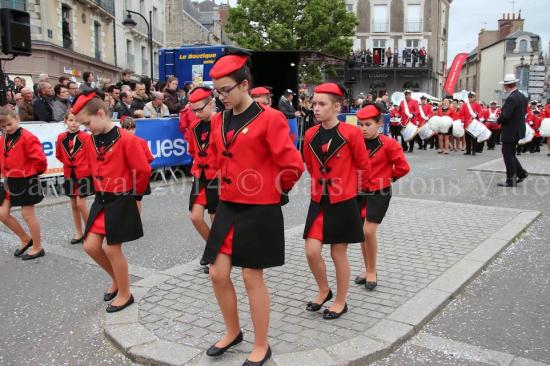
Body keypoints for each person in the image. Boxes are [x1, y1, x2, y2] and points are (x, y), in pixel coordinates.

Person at [200, 52, 304, 365]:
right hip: (229, 205)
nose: (220, 97)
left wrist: (277, 189)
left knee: (251, 277)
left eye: (225, 90)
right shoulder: (218, 119)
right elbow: (219, 158)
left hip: (260, 207)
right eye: (216, 91)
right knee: (218, 273)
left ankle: (262, 344)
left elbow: (292, 165)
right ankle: (233, 332)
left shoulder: (271, 119)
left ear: (244, 85)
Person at [71, 89, 151, 312]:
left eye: (87, 122)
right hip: (102, 199)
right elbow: (87, 166)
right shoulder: (90, 141)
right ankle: (116, 278)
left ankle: (125, 293)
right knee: (90, 246)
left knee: (112, 249)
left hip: (121, 199)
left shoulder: (127, 140)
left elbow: (142, 170)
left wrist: (136, 196)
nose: (86, 128)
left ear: (100, 113)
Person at [302, 82, 370, 320]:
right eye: (314, 103)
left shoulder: (351, 133)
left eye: (322, 104)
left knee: (337, 253)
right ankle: (324, 289)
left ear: (337, 106)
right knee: (311, 251)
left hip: (343, 200)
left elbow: (363, 166)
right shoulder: (310, 134)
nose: (316, 108)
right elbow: (310, 166)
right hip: (319, 198)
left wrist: (355, 196)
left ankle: (341, 301)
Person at [354, 103, 410, 290]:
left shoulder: (389, 144)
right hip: (358, 192)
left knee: (368, 231)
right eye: (360, 124)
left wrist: (387, 178)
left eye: (368, 125)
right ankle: (368, 268)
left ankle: (372, 271)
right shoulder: (356, 142)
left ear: (379, 124)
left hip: (380, 192)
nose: (363, 129)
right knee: (362, 233)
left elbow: (403, 167)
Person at [0, 106, 47, 260]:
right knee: (2, 213)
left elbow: (40, 160)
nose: (6, 128)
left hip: (27, 179)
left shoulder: (28, 137)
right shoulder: (4, 138)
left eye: (9, 124)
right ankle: (25, 238)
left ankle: (38, 247)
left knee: (27, 214)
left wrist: (31, 174)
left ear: (17, 120)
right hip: (9, 179)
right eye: (3, 126)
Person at [184, 87, 220, 274]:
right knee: (195, 217)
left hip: (217, 176)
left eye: (199, 109)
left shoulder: (223, 121)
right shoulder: (195, 126)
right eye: (193, 110)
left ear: (211, 103)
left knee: (216, 218)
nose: (196, 114)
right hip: (200, 175)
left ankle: (218, 254)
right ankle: (213, 248)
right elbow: (193, 150)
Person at [55, 112, 94, 244]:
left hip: (83, 174)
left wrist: (85, 167)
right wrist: (69, 164)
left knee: (81, 204)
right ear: (65, 121)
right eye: (71, 120)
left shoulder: (86, 137)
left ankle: (91, 232)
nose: (74, 123)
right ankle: (79, 232)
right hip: (69, 174)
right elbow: (59, 155)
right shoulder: (61, 137)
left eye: (77, 120)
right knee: (73, 204)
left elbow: (91, 156)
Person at [496, 74, 528, 187]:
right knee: (511, 154)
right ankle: (521, 173)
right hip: (517, 129)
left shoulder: (512, 98)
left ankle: (511, 180)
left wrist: (497, 120)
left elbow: (506, 115)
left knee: (507, 155)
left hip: (510, 130)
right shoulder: (522, 96)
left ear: (506, 85)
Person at [119, 116, 153, 212]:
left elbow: (149, 158)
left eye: (132, 128)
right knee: (124, 200)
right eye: (127, 128)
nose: (130, 131)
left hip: (138, 176)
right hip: (125, 176)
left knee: (137, 199)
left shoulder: (142, 141)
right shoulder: (119, 142)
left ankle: (136, 221)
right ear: (122, 128)